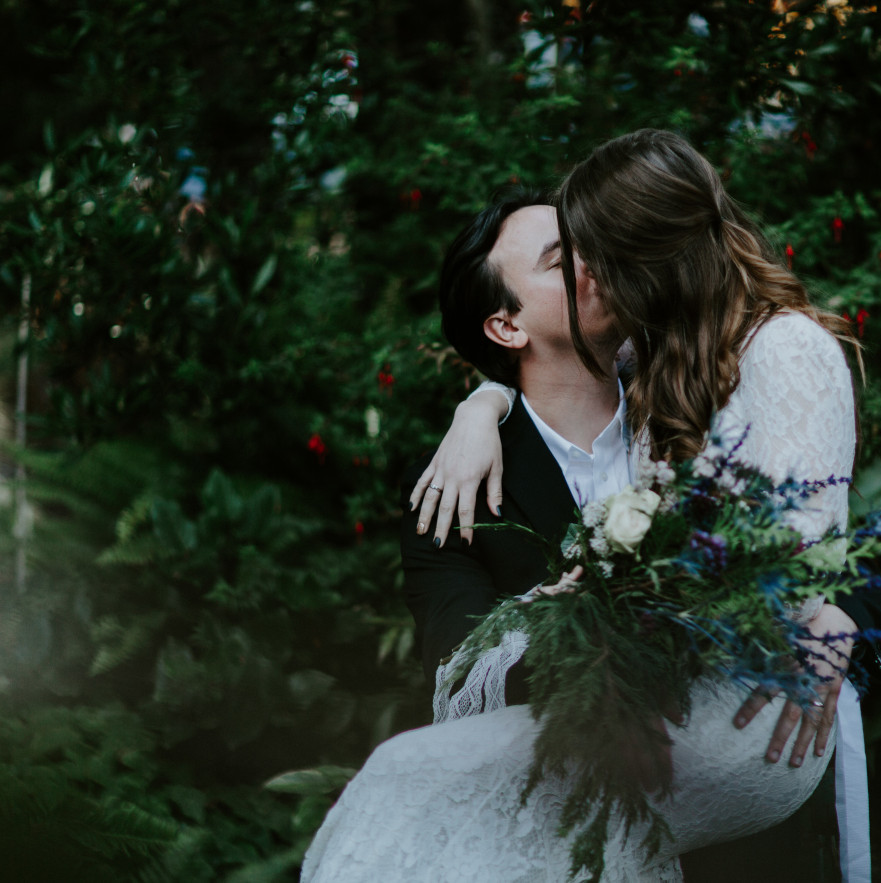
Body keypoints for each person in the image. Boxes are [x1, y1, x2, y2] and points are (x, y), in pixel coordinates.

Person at [300, 157, 851, 880]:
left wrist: (842, 609)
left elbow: (816, 507)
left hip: (747, 797)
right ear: (505, 324)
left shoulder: (695, 383)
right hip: (576, 798)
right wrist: (584, 645)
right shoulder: (453, 486)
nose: (596, 262)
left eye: (588, 243)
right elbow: (458, 653)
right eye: (563, 258)